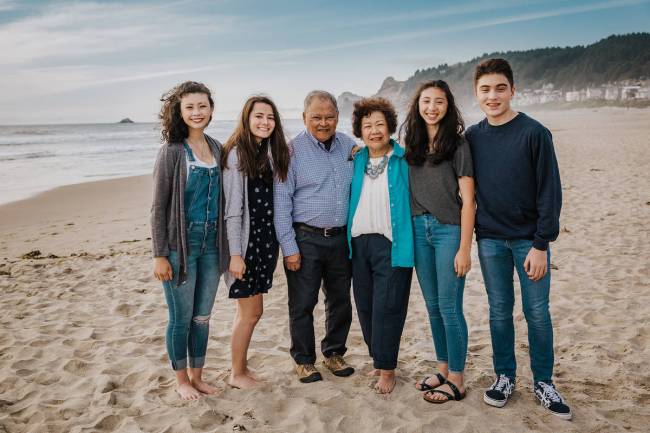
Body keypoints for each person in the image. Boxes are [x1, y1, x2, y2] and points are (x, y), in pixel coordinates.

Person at [465, 58, 571, 419]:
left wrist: (542, 244)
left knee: (537, 313)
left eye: (499, 88)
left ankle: (544, 382)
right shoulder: (473, 137)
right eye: (485, 90)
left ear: (512, 90)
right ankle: (505, 377)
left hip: (530, 241)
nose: (492, 96)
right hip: (490, 240)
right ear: (476, 94)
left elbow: (550, 192)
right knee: (498, 312)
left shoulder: (534, 133)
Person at [151, 81, 226, 400]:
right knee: (180, 317)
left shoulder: (217, 147)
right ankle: (181, 379)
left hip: (212, 244)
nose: (197, 112)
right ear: (179, 112)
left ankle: (198, 376)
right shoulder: (171, 152)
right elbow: (158, 205)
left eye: (202, 106)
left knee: (202, 316)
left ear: (211, 109)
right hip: (179, 245)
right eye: (190, 107)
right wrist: (159, 255)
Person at [274, 90, 356, 383]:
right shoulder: (291, 151)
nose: (323, 123)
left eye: (329, 117)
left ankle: (334, 353)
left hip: (340, 239)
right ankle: (304, 360)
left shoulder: (349, 147)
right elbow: (281, 202)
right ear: (304, 118)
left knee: (339, 301)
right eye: (316, 117)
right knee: (302, 303)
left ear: (337, 117)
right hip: (305, 238)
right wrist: (289, 247)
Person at [402, 80, 475, 404]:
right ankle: (443, 369)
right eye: (426, 101)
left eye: (439, 102)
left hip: (448, 231)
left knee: (450, 307)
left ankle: (458, 379)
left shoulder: (457, 145)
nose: (432, 107)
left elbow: (469, 201)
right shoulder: (411, 144)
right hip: (419, 230)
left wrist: (464, 248)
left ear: (448, 107)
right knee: (433, 306)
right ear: (418, 105)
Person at [221, 95, 290, 389]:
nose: (265, 122)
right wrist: (235, 255)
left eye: (270, 118)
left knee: (247, 312)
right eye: (259, 116)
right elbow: (233, 212)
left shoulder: (266, 154)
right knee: (251, 312)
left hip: (264, 244)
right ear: (247, 119)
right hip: (246, 247)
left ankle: (240, 370)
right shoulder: (236, 155)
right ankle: (237, 374)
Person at [347, 97, 413, 394]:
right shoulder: (356, 158)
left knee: (388, 307)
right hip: (359, 244)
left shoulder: (404, 159)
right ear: (360, 130)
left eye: (379, 125)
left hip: (392, 244)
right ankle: (379, 356)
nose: (374, 131)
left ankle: (387, 369)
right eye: (367, 125)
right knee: (366, 306)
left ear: (390, 127)